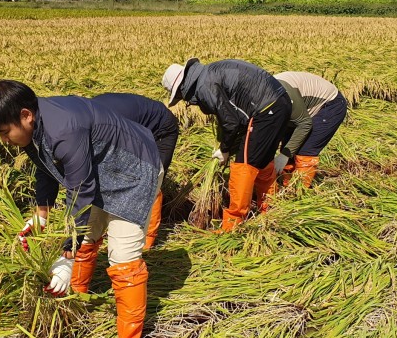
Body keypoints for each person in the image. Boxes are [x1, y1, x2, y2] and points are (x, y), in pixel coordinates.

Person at [0, 80, 162, 338]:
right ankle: (75, 299)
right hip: (102, 174)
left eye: (4, 132)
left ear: (26, 115)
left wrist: (67, 253)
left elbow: (81, 189)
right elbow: (47, 169)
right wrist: (41, 214)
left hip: (134, 171)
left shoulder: (64, 129)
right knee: (88, 236)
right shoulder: (34, 128)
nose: (4, 140)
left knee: (123, 259)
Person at [162, 58, 290, 232]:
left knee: (244, 164)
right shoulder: (209, 73)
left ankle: (234, 224)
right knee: (262, 162)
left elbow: (230, 122)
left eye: (179, 95)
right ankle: (272, 208)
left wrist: (224, 150)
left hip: (265, 111)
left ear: (183, 87)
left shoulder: (204, 86)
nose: (185, 101)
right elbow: (232, 114)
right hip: (280, 104)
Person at [91, 92, 179, 249]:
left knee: (150, 182)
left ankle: (147, 238)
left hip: (161, 129)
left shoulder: (109, 124)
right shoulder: (87, 118)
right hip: (136, 124)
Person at [271, 72, 348, 187]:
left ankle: (299, 191)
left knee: (305, 151)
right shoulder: (264, 97)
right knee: (288, 147)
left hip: (329, 104)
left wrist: (284, 155)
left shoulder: (283, 95)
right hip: (299, 107)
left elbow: (304, 124)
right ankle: (285, 185)